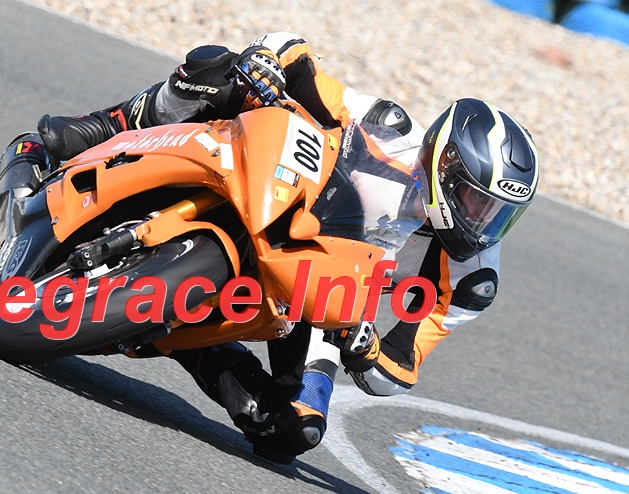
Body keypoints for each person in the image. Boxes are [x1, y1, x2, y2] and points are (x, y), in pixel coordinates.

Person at [35, 32, 540, 463]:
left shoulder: (473, 280)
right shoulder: (386, 131)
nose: (483, 223)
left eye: (501, 213)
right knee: (224, 71)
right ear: (444, 166)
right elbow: (293, 55)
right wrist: (266, 62)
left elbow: (398, 371)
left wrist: (363, 345)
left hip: (319, 299)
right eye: (477, 201)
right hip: (275, 193)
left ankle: (193, 342)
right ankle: (110, 125)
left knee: (295, 430)